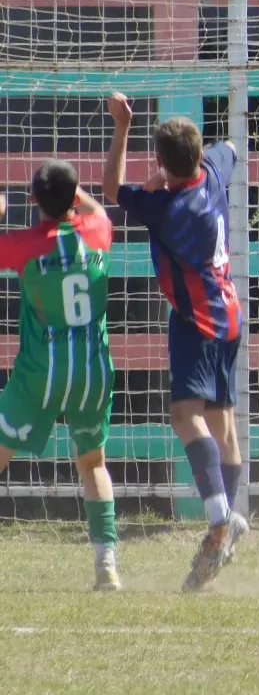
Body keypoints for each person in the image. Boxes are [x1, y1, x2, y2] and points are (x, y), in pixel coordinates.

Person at [102, 92, 248, 591]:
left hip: (196, 319)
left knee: (184, 416)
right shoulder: (212, 169)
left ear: (162, 161)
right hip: (230, 314)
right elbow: (230, 146)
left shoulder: (165, 208)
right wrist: (182, 165)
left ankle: (219, 518)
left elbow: (112, 187)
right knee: (222, 424)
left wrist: (122, 127)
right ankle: (226, 529)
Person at [0, 162, 121, 590]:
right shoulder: (97, 232)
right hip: (92, 371)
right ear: (74, 199)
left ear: (33, 201)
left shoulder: (26, 245)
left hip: (42, 373)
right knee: (93, 463)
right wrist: (75, 195)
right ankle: (107, 564)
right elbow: (100, 213)